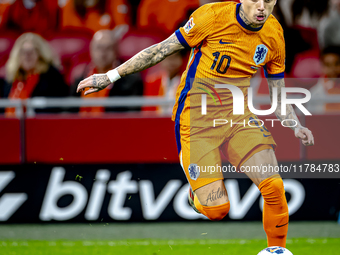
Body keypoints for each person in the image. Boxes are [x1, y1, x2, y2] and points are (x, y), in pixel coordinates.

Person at [77, 0, 315, 248]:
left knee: (274, 185)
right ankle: (196, 195)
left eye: (268, 1)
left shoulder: (274, 34)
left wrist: (294, 124)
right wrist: (110, 75)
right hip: (197, 118)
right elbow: (162, 50)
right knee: (217, 210)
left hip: (239, 117)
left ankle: (277, 251)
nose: (261, 7)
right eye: (255, 0)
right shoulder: (212, 16)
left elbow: (277, 93)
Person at [70, 29, 143, 113]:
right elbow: (67, 113)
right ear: (91, 50)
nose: (102, 54)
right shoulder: (80, 79)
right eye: (98, 48)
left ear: (116, 51)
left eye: (108, 48)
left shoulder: (130, 81)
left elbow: (131, 115)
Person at [4, 32, 68, 115]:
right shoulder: (10, 80)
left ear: (40, 54)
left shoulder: (53, 78)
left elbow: (57, 109)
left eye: (32, 51)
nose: (27, 56)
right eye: (23, 52)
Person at [308, 46, 340, 113]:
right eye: (327, 65)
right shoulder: (314, 93)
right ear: (322, 66)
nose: (332, 69)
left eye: (336, 64)